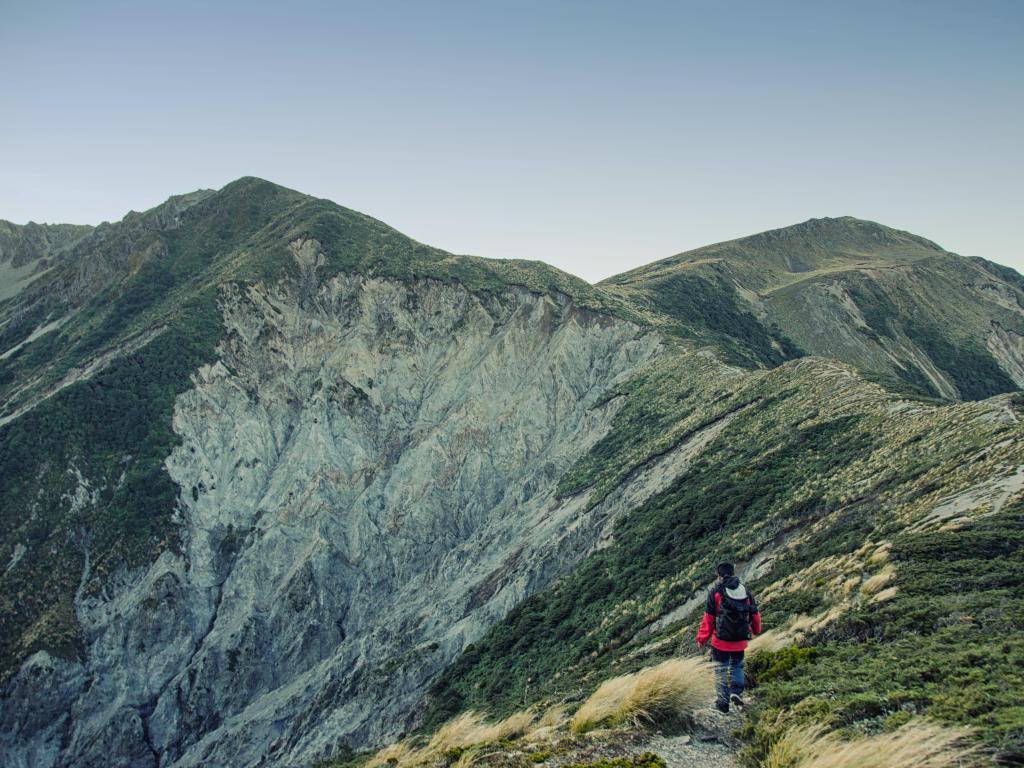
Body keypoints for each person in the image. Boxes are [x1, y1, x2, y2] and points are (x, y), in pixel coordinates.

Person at [696, 562, 762, 714]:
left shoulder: (716, 592)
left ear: (719, 576)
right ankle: (736, 692)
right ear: (733, 573)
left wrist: (701, 638)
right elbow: (755, 614)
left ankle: (722, 703)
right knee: (737, 666)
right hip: (740, 640)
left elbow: (709, 618)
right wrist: (756, 630)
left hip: (720, 641)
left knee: (720, 670)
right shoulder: (745, 591)